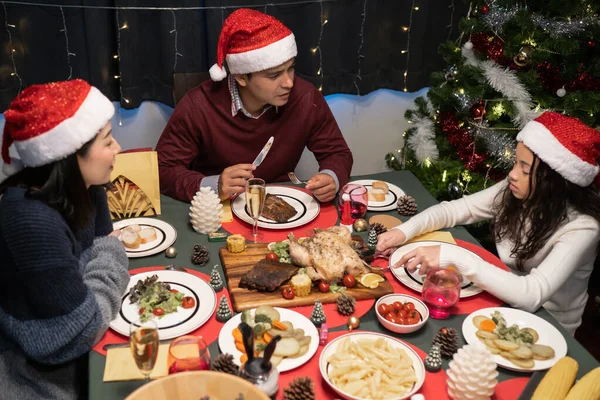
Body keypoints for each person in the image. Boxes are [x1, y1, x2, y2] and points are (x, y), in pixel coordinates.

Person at [377, 112, 600, 335]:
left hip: (548, 323)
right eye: (515, 163)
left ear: (555, 182)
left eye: (524, 169)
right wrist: (403, 231)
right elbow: (455, 209)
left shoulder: (583, 228)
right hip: (502, 293)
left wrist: (453, 256)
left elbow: (532, 294)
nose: (512, 175)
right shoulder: (517, 190)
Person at [0, 79, 129, 399]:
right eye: (108, 141)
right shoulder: (30, 220)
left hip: (74, 356)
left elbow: (98, 244)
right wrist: (113, 252)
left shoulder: (87, 186)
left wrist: (97, 260)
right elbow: (80, 330)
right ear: (71, 157)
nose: (118, 149)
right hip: (37, 379)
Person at [156, 8, 353, 203]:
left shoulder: (305, 97)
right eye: (274, 75)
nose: (289, 83)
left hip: (282, 200)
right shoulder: (198, 105)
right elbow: (162, 170)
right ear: (241, 76)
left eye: (290, 69)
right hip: (219, 208)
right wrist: (214, 186)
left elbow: (337, 152)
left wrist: (331, 177)